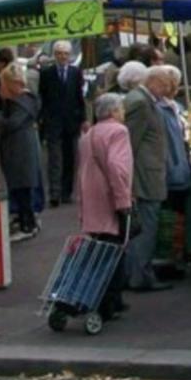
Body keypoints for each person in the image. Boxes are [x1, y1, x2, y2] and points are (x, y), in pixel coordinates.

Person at [75, 93, 134, 320]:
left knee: (101, 248)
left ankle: (109, 300)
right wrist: (124, 200)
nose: (123, 113)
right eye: (121, 109)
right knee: (115, 250)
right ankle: (109, 302)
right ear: (113, 111)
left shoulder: (89, 133)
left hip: (90, 196)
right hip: (109, 197)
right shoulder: (119, 132)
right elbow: (117, 167)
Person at [123, 66, 170, 292]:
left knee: (145, 226)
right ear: (154, 81)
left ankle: (139, 273)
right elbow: (129, 144)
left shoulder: (142, 100)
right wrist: (129, 183)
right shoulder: (140, 103)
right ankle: (140, 276)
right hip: (145, 177)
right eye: (165, 86)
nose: (167, 92)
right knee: (146, 227)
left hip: (147, 174)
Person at [0, 63, 42, 241]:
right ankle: (24, 218)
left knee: (22, 185)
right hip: (17, 146)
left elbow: (10, 125)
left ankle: (28, 224)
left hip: (21, 148)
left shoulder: (23, 101)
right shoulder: (18, 101)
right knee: (19, 186)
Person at [38, 40, 86, 208]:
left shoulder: (75, 73)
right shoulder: (46, 73)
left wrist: (83, 119)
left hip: (71, 122)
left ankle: (67, 192)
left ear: (70, 55)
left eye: (65, 54)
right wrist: (41, 119)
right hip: (53, 121)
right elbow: (42, 98)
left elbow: (79, 97)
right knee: (54, 158)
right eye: (59, 53)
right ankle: (54, 193)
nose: (62, 57)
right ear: (54, 55)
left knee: (70, 158)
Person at [154, 65, 191, 272]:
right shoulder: (159, 110)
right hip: (172, 172)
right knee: (171, 216)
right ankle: (167, 260)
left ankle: (172, 257)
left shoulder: (172, 106)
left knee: (175, 214)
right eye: (171, 84)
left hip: (177, 170)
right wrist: (172, 166)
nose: (174, 87)